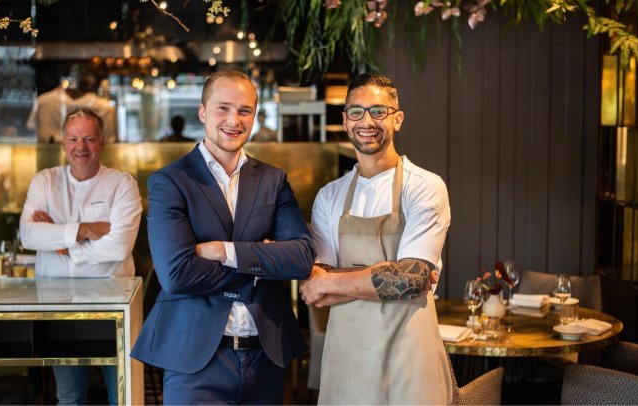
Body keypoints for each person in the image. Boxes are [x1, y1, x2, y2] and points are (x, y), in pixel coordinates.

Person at [131, 69, 314, 404]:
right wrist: (261, 264)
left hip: (266, 357)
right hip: (196, 362)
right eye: (223, 108)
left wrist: (223, 251)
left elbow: (301, 258)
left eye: (245, 110)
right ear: (202, 112)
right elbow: (176, 274)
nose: (234, 120)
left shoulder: (273, 180)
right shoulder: (170, 182)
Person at [299, 72, 453, 404]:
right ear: (344, 120)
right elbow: (315, 288)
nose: (366, 120)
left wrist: (334, 280)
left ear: (397, 119)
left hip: (409, 359)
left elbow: (411, 280)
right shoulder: (329, 196)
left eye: (378, 111)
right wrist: (386, 272)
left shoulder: (425, 186)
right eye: (356, 111)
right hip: (346, 359)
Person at [19, 107, 142, 405]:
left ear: (101, 142)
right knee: (70, 397)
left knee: (122, 397)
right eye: (73, 139)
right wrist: (85, 230)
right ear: (63, 142)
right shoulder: (45, 181)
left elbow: (118, 247)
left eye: (89, 139)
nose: (81, 147)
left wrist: (61, 244)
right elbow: (29, 236)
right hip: (58, 304)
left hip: (113, 306)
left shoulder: (122, 184)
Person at [71, 74, 118, 143]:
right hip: (106, 146)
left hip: (81, 148)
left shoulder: (74, 105)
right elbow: (111, 135)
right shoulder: (107, 106)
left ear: (79, 90)